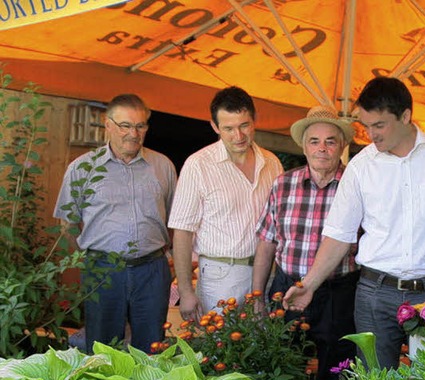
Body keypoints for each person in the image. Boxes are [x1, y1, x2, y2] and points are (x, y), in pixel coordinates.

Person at [283, 77, 425, 369]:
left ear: (406, 116)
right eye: (366, 126)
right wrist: (309, 285)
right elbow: (338, 235)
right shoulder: (361, 166)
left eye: (379, 125)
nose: (370, 134)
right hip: (375, 294)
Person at [252, 106, 359, 380]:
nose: (322, 149)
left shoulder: (356, 186)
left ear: (341, 146)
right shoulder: (283, 184)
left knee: (338, 366)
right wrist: (257, 294)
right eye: (314, 141)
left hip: (339, 290)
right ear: (304, 146)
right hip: (288, 285)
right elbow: (267, 241)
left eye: (330, 141)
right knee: (284, 360)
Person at [55, 93, 176, 353]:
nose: (133, 133)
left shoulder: (163, 166)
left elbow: (175, 218)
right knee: (102, 349)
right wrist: (92, 257)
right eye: (125, 125)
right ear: (107, 124)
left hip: (152, 270)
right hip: (102, 270)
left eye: (140, 126)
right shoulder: (82, 169)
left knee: (152, 350)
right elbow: (66, 225)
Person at [169, 86, 283, 320]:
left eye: (244, 126)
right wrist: (185, 291)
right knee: (219, 351)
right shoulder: (198, 164)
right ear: (214, 127)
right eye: (228, 129)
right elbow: (182, 232)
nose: (238, 136)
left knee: (261, 352)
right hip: (219, 276)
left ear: (255, 120)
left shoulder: (272, 163)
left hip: (267, 274)